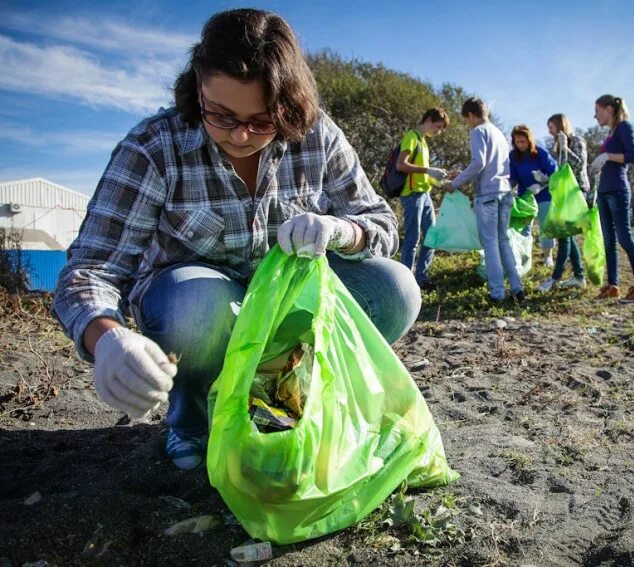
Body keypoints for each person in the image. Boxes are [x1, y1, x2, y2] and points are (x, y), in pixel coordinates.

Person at [51, 9, 417, 471]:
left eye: (261, 121)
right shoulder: (152, 148)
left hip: (288, 298)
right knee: (195, 306)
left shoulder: (317, 133)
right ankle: (195, 418)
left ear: (289, 105)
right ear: (197, 87)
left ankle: (289, 398)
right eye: (221, 116)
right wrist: (106, 339)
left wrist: (342, 230)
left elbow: (379, 222)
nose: (241, 135)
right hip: (199, 305)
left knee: (395, 289)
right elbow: (90, 269)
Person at [442, 97, 523, 302]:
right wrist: (463, 174)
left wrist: (455, 182)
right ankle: (517, 288)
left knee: (490, 244)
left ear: (471, 115)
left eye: (466, 119)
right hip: (505, 192)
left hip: (487, 195)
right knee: (503, 241)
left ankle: (497, 294)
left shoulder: (478, 131)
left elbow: (479, 162)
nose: (467, 123)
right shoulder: (499, 133)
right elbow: (490, 165)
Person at [590, 95, 634, 302]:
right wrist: (600, 166)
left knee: (624, 237)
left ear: (608, 109)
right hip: (604, 190)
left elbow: (632, 156)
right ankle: (612, 285)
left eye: (597, 110)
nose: (595, 115)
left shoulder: (625, 127)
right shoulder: (612, 133)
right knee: (609, 241)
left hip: (618, 190)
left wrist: (607, 156)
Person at [396, 108, 450, 290]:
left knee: (432, 235)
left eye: (441, 129)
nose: (439, 131)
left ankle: (421, 277)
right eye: (438, 126)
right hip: (411, 195)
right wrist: (428, 170)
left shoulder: (424, 142)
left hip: (424, 194)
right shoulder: (412, 137)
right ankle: (406, 282)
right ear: (428, 119)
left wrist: (443, 179)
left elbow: (424, 176)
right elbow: (401, 165)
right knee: (412, 238)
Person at [537, 113, 590, 292]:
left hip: (575, 191)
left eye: (552, 127)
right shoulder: (557, 145)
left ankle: (555, 279)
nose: (550, 132)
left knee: (564, 235)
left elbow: (579, 164)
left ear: (561, 125)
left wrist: (565, 147)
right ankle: (579, 277)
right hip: (563, 192)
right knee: (568, 237)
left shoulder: (577, 141)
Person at [507, 124, 557, 264]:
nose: (520, 145)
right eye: (517, 142)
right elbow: (513, 177)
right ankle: (524, 255)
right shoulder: (513, 156)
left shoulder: (540, 153)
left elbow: (554, 172)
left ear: (529, 140)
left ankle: (547, 255)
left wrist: (542, 183)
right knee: (524, 225)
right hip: (526, 195)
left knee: (545, 224)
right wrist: (507, 188)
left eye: (523, 141)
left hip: (544, 193)